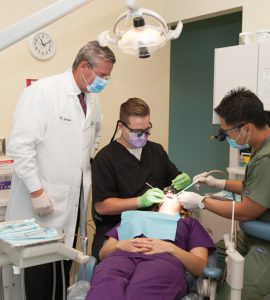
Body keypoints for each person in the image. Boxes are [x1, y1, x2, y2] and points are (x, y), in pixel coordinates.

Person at [6, 40, 116, 300]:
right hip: (40, 206)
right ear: (84, 66)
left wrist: (85, 157)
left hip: (72, 204)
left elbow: (95, 133)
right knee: (40, 276)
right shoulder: (43, 92)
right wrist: (36, 191)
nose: (105, 81)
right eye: (102, 75)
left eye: (108, 77)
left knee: (63, 267)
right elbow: (20, 147)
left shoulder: (92, 99)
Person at [179, 87, 270, 300]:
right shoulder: (260, 146)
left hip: (266, 243)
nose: (226, 137)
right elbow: (256, 187)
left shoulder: (267, 159)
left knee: (232, 294)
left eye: (227, 133)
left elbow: (247, 211)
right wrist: (219, 183)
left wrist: (202, 201)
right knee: (207, 255)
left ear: (246, 128)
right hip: (250, 235)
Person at [91, 97, 191, 259]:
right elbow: (102, 207)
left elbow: (173, 184)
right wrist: (140, 201)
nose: (143, 136)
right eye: (137, 132)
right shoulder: (105, 158)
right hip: (117, 227)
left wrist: (182, 181)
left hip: (156, 224)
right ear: (121, 127)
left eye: (146, 131)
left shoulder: (156, 151)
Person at [86, 193, 215, 300]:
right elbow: (103, 254)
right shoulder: (133, 217)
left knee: (142, 291)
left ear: (183, 208)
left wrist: (170, 248)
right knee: (106, 282)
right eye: (166, 192)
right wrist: (120, 244)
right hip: (120, 257)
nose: (169, 193)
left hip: (163, 261)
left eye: (175, 195)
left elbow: (200, 267)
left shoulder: (188, 223)